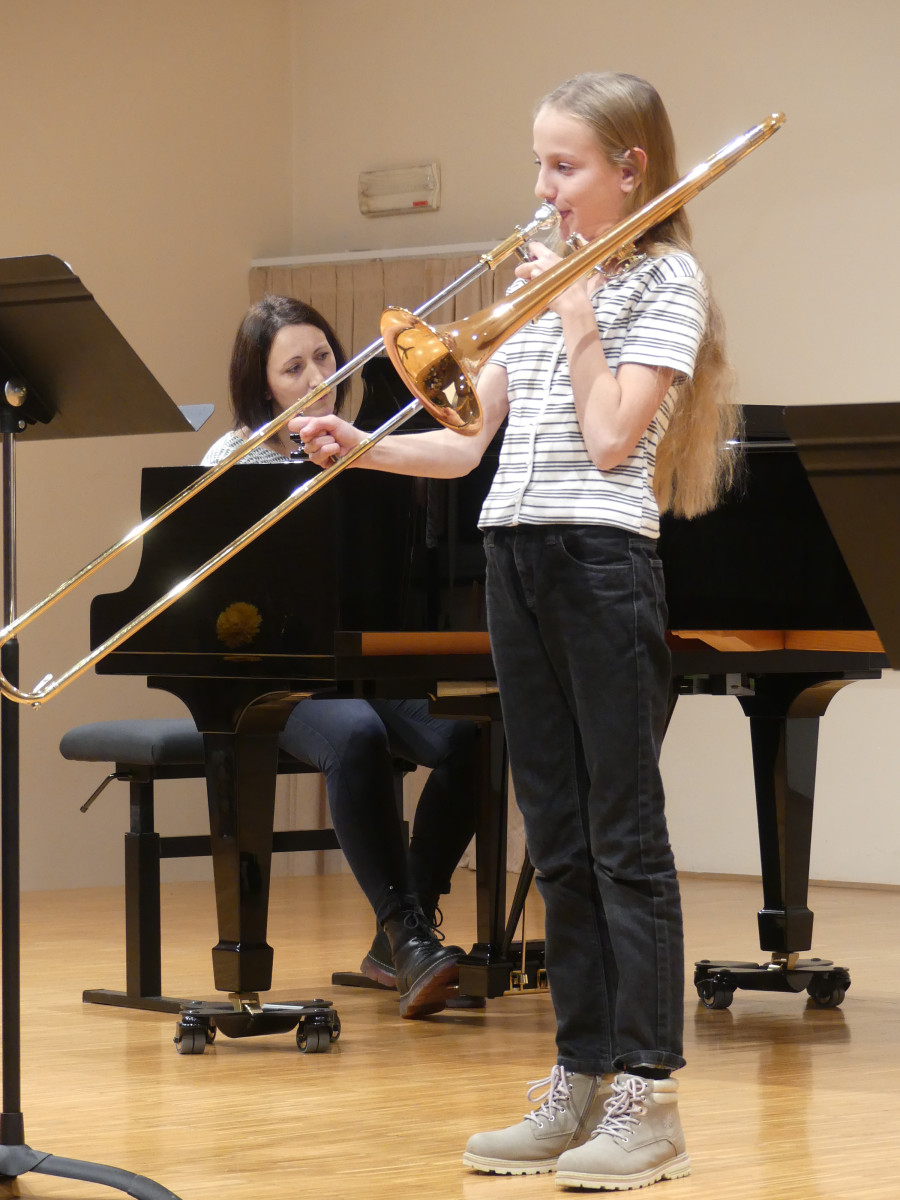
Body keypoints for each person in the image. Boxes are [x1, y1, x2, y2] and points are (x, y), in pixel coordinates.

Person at [295, 72, 738, 1190]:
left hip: (601, 561)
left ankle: (649, 1096)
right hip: (514, 557)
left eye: (563, 166)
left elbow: (611, 437)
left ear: (631, 169)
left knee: (624, 838)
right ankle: (579, 1076)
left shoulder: (667, 282)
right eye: (538, 162)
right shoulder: (541, 285)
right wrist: (362, 449)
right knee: (559, 838)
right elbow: (464, 443)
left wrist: (578, 312)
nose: (542, 188)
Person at [203, 295, 480, 1020]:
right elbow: (220, 607)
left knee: (474, 731)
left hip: (359, 663)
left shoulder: (365, 447)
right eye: (293, 368)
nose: (317, 377)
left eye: (324, 356)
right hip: (274, 678)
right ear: (264, 385)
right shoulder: (234, 459)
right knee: (355, 731)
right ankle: (407, 934)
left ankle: (403, 930)